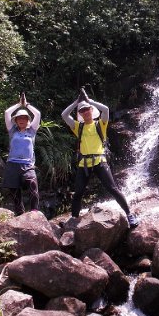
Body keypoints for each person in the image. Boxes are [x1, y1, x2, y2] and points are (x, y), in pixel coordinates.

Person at [62, 89, 139, 228]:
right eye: (82, 110)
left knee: (113, 189)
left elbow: (106, 109)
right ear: (80, 114)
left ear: (91, 110)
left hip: (99, 161)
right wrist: (76, 102)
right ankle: (73, 220)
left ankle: (129, 215)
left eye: (87, 109)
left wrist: (89, 101)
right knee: (78, 192)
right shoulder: (78, 127)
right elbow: (64, 115)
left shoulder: (100, 124)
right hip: (84, 163)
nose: (85, 112)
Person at [2, 93, 41, 215]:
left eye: (24, 118)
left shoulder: (32, 130)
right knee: (14, 191)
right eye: (19, 118)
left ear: (28, 120)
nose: (22, 120)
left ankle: (34, 211)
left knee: (32, 184)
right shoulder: (12, 130)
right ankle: (20, 214)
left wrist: (27, 105)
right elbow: (7, 113)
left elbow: (38, 114)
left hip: (27, 164)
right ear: (16, 121)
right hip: (12, 164)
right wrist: (19, 104)